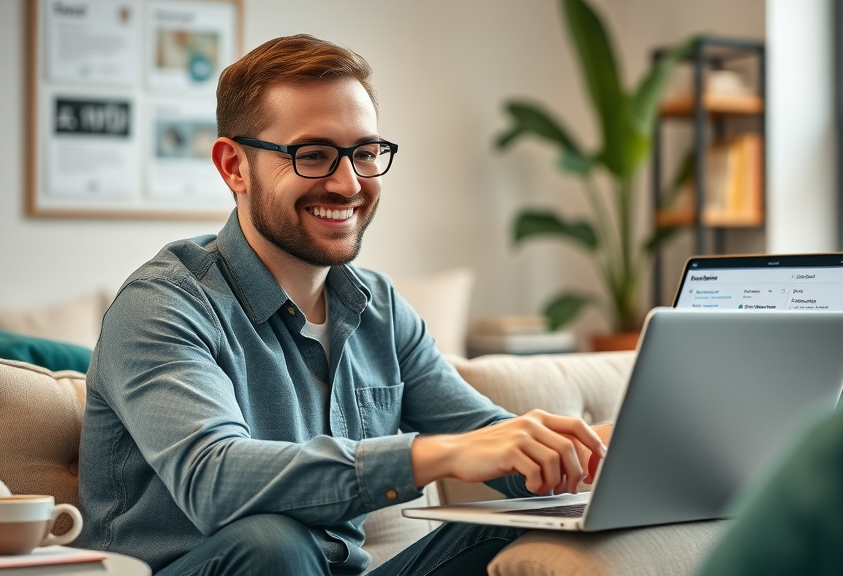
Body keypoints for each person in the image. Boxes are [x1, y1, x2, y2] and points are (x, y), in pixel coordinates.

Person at [77, 34, 609, 575]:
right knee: (274, 544)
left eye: (365, 154)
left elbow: (497, 445)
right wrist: (440, 454)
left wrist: (595, 450)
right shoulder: (163, 304)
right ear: (234, 166)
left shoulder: (380, 310)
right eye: (313, 155)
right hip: (223, 566)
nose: (349, 183)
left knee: (534, 520)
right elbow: (213, 479)